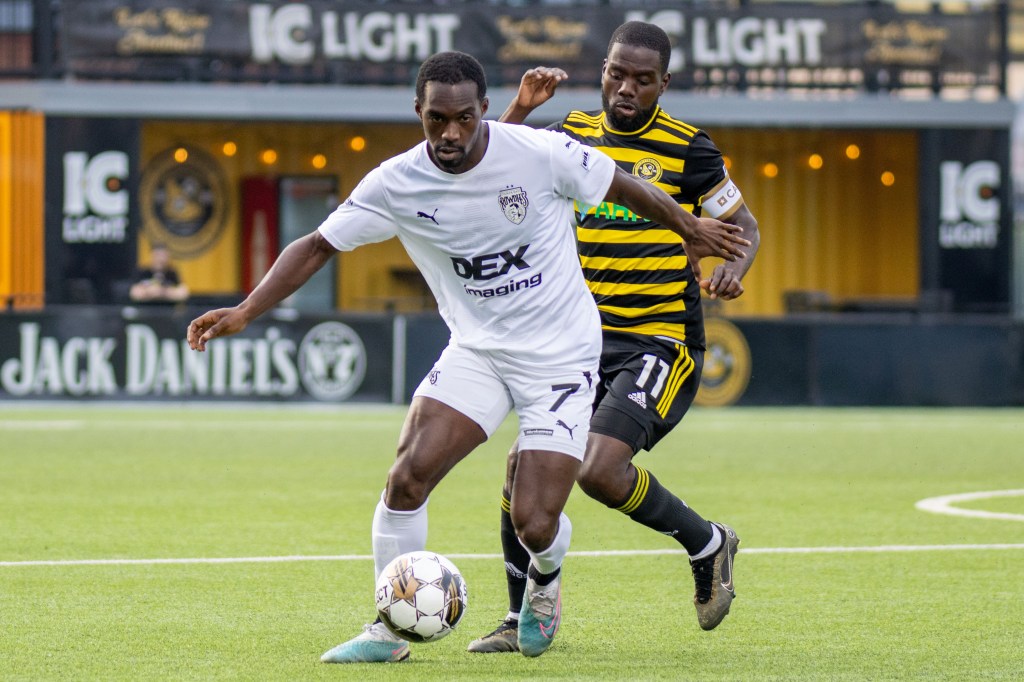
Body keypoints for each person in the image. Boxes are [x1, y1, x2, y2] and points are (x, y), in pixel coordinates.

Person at [186, 51, 749, 664]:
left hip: (561, 355)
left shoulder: (539, 153)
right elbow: (318, 245)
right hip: (478, 350)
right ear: (418, 113)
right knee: (407, 476)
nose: (449, 134)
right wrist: (245, 310)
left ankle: (544, 586)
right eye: (435, 120)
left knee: (536, 523)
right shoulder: (395, 182)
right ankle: (388, 630)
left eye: (462, 118)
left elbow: (622, 185)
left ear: (484, 110)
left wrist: (689, 230)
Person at [466, 22, 761, 654]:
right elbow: (497, 161)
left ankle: (707, 543)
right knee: (522, 468)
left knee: (599, 469)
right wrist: (520, 106)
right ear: (602, 70)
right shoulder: (570, 133)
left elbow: (743, 225)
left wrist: (731, 267)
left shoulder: (689, 149)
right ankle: (522, 621)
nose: (626, 88)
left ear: (664, 83)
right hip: (576, 341)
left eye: (642, 79)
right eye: (616, 73)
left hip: (660, 339)